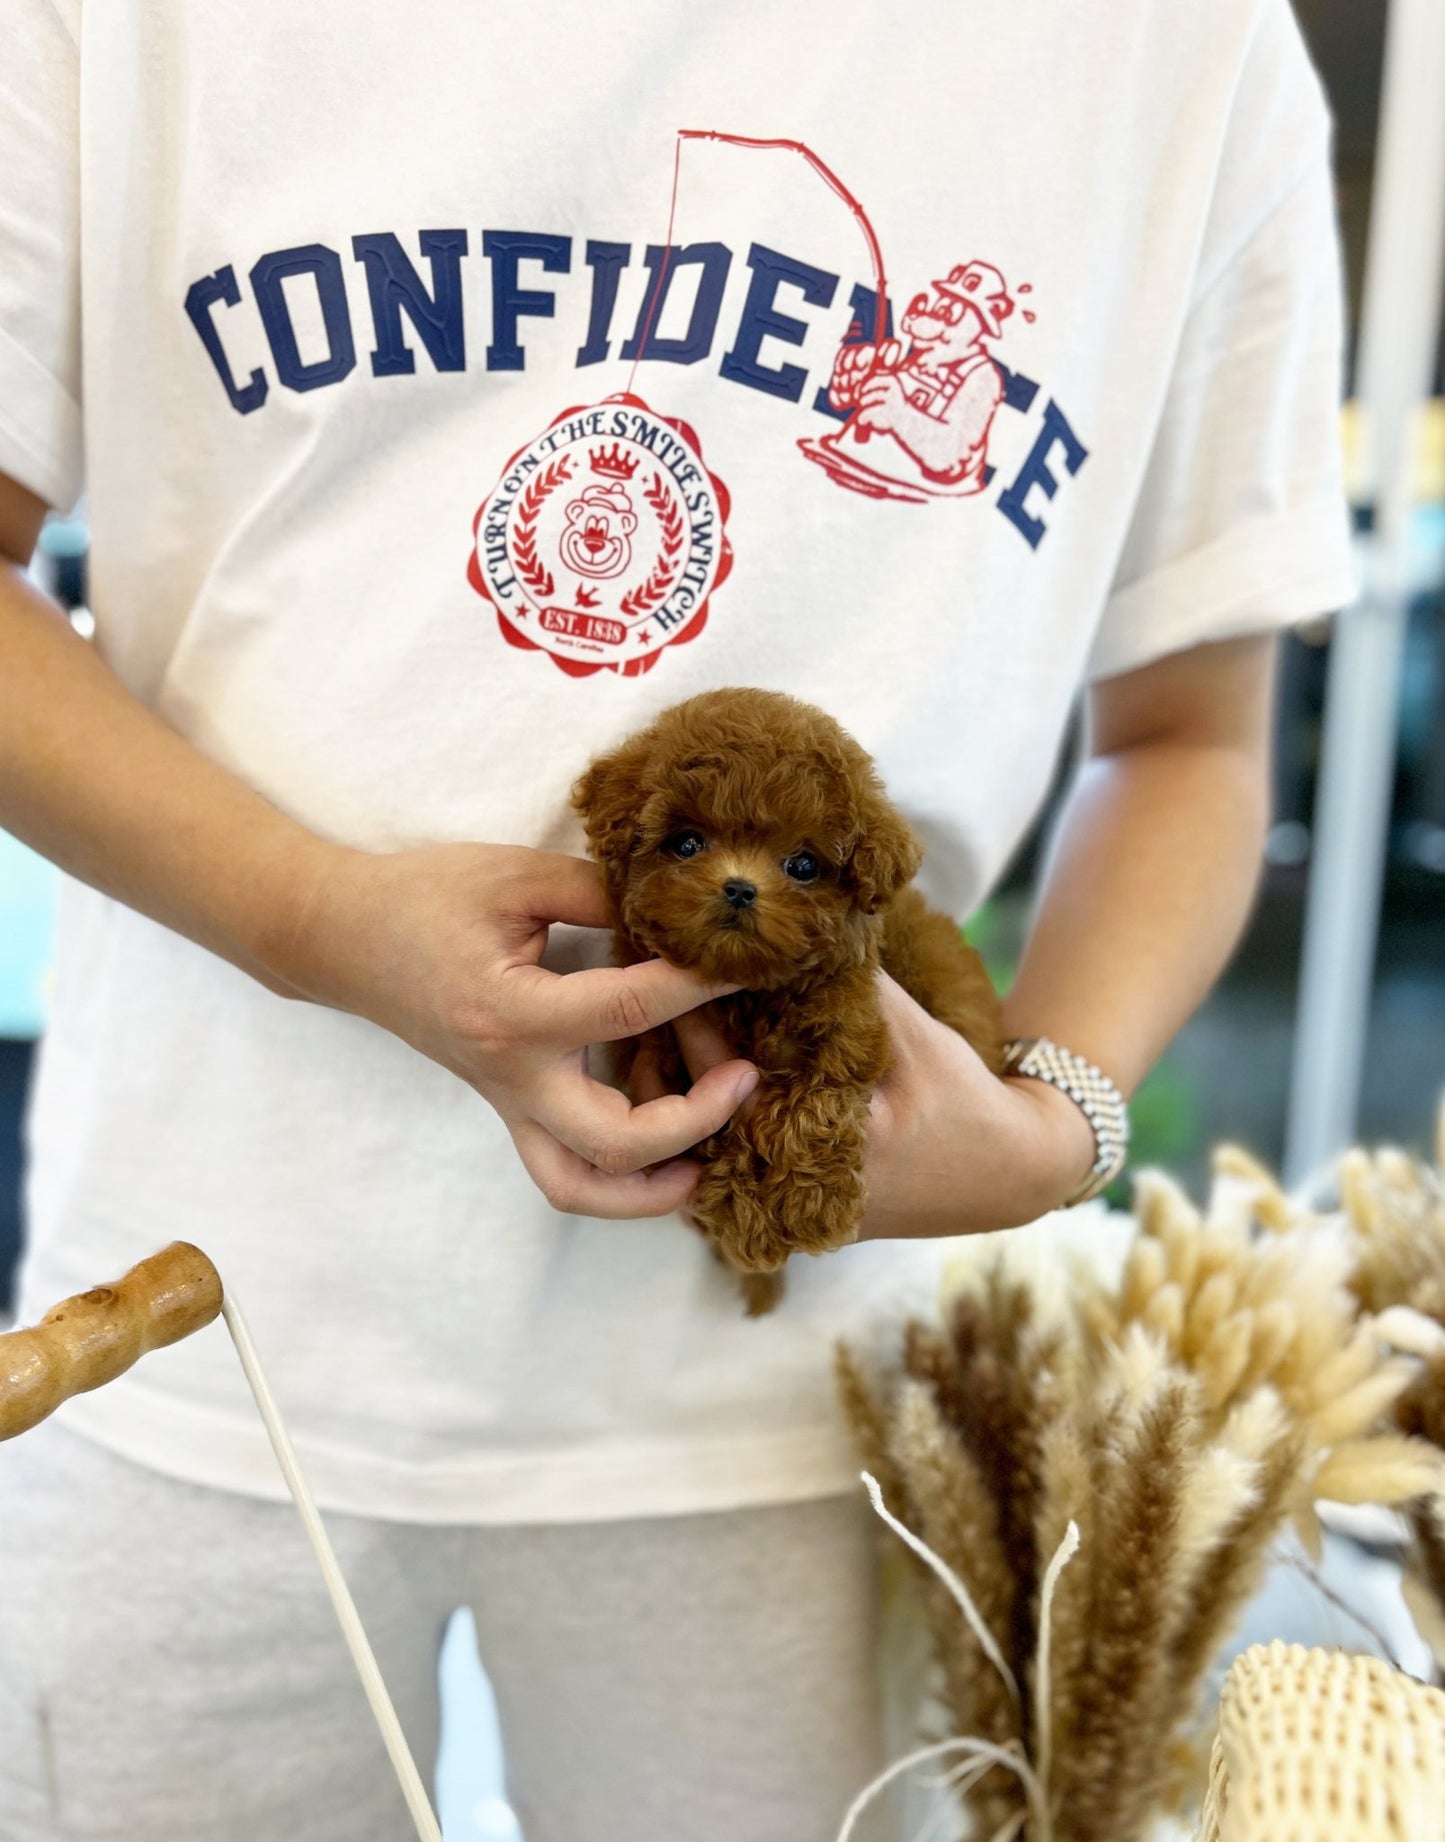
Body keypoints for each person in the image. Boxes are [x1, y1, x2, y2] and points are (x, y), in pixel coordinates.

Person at [0, 3, 1357, 1839]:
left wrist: (1058, 1124)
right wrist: (312, 915)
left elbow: (1189, 733)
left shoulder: (1178, 49)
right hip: (197, 1314)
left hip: (819, 1398)